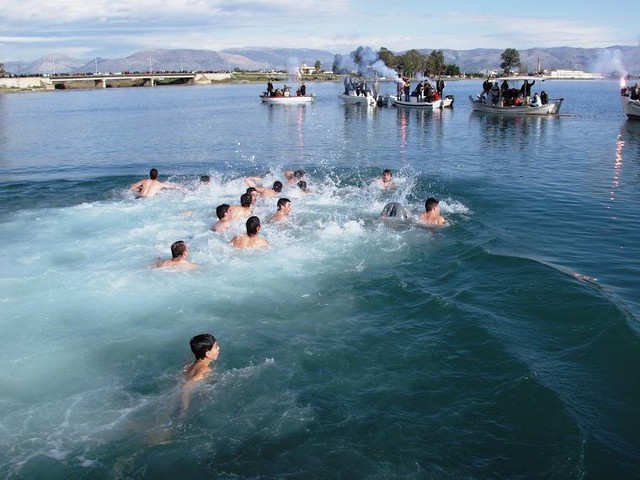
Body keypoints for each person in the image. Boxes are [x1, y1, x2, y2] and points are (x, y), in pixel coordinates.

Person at [182, 333, 220, 413]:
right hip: (187, 400)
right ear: (208, 354)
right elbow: (186, 387)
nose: (218, 349)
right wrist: (185, 409)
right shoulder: (206, 370)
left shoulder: (190, 364)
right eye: (216, 347)